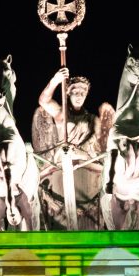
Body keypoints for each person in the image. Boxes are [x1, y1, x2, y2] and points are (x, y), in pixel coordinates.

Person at [33, 67, 114, 230]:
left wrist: (80, 152)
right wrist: (55, 80)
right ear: (68, 93)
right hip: (60, 167)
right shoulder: (61, 114)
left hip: (87, 166)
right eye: (75, 91)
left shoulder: (93, 119)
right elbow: (43, 100)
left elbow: (101, 146)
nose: (79, 96)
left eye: (83, 92)